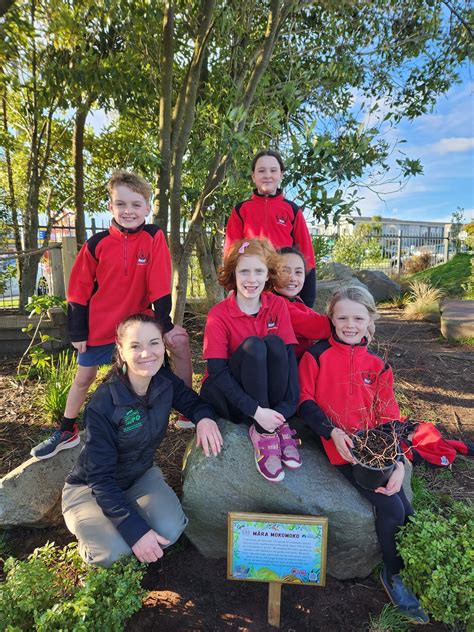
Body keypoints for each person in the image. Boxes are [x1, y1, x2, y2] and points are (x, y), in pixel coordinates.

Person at [31, 170, 194, 460]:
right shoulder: (97, 244)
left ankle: (186, 412)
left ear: (147, 207)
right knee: (84, 377)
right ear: (110, 206)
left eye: (135, 204)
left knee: (155, 373)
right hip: (101, 327)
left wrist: (164, 324)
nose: (128, 211)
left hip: (137, 329)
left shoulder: (154, 237)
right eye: (121, 204)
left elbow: (159, 283)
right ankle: (67, 430)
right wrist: (78, 332)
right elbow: (78, 291)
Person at [297, 286, 429, 624]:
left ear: (370, 320)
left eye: (358, 317)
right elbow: (304, 400)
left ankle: (416, 566)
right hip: (339, 444)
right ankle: (394, 575)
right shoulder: (317, 355)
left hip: (376, 446)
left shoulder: (377, 364)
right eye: (342, 317)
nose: (350, 324)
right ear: (331, 320)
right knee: (390, 506)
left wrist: (398, 462)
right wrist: (331, 432)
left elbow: (388, 417)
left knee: (405, 508)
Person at [62, 313, 222, 567]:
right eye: (135, 346)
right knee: (113, 553)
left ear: (163, 345)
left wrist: (204, 419)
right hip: (91, 488)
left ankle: (128, 522)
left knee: (171, 530)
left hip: (139, 475)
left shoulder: (164, 381)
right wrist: (135, 532)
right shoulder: (104, 403)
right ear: (121, 351)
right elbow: (100, 479)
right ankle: (93, 538)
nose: (147, 353)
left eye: (154, 343)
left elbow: (193, 403)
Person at [200, 238, 301, 483]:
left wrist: (286, 408)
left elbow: (288, 358)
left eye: (259, 271)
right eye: (244, 271)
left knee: (275, 344)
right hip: (231, 398)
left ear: (269, 275)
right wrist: (257, 413)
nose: (251, 279)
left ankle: (276, 424)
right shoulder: (219, 315)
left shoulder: (277, 304)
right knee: (254, 346)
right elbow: (217, 371)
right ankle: (264, 432)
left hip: (267, 400)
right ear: (233, 274)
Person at [224, 149, 316, 308]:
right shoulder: (241, 210)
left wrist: (307, 298)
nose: (267, 175)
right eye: (261, 171)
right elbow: (231, 252)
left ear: (281, 174)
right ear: (253, 176)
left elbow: (306, 253)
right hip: (252, 283)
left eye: (273, 170)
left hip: (283, 285)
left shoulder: (292, 210)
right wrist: (233, 286)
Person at [274, 246, 331, 360]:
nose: (292, 278)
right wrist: (350, 322)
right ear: (271, 274)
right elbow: (315, 327)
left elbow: (315, 317)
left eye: (298, 272)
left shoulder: (295, 300)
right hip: (290, 368)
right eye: (285, 271)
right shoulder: (274, 302)